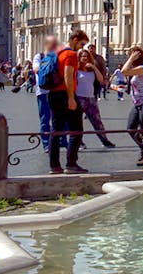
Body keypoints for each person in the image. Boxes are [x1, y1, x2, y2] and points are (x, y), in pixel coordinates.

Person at [44, 32, 87, 174]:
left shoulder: (57, 52)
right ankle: (71, 164)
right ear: (75, 40)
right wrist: (71, 98)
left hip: (53, 94)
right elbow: (68, 76)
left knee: (56, 130)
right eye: (82, 44)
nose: (82, 48)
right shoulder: (70, 55)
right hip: (65, 94)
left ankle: (54, 166)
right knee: (76, 130)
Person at [75, 48, 115, 148]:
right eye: (83, 56)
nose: (85, 58)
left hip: (91, 98)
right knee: (78, 123)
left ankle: (104, 140)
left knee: (97, 121)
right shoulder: (76, 69)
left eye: (87, 56)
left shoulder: (91, 70)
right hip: (79, 98)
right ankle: (79, 142)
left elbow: (101, 80)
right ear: (79, 58)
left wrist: (94, 67)